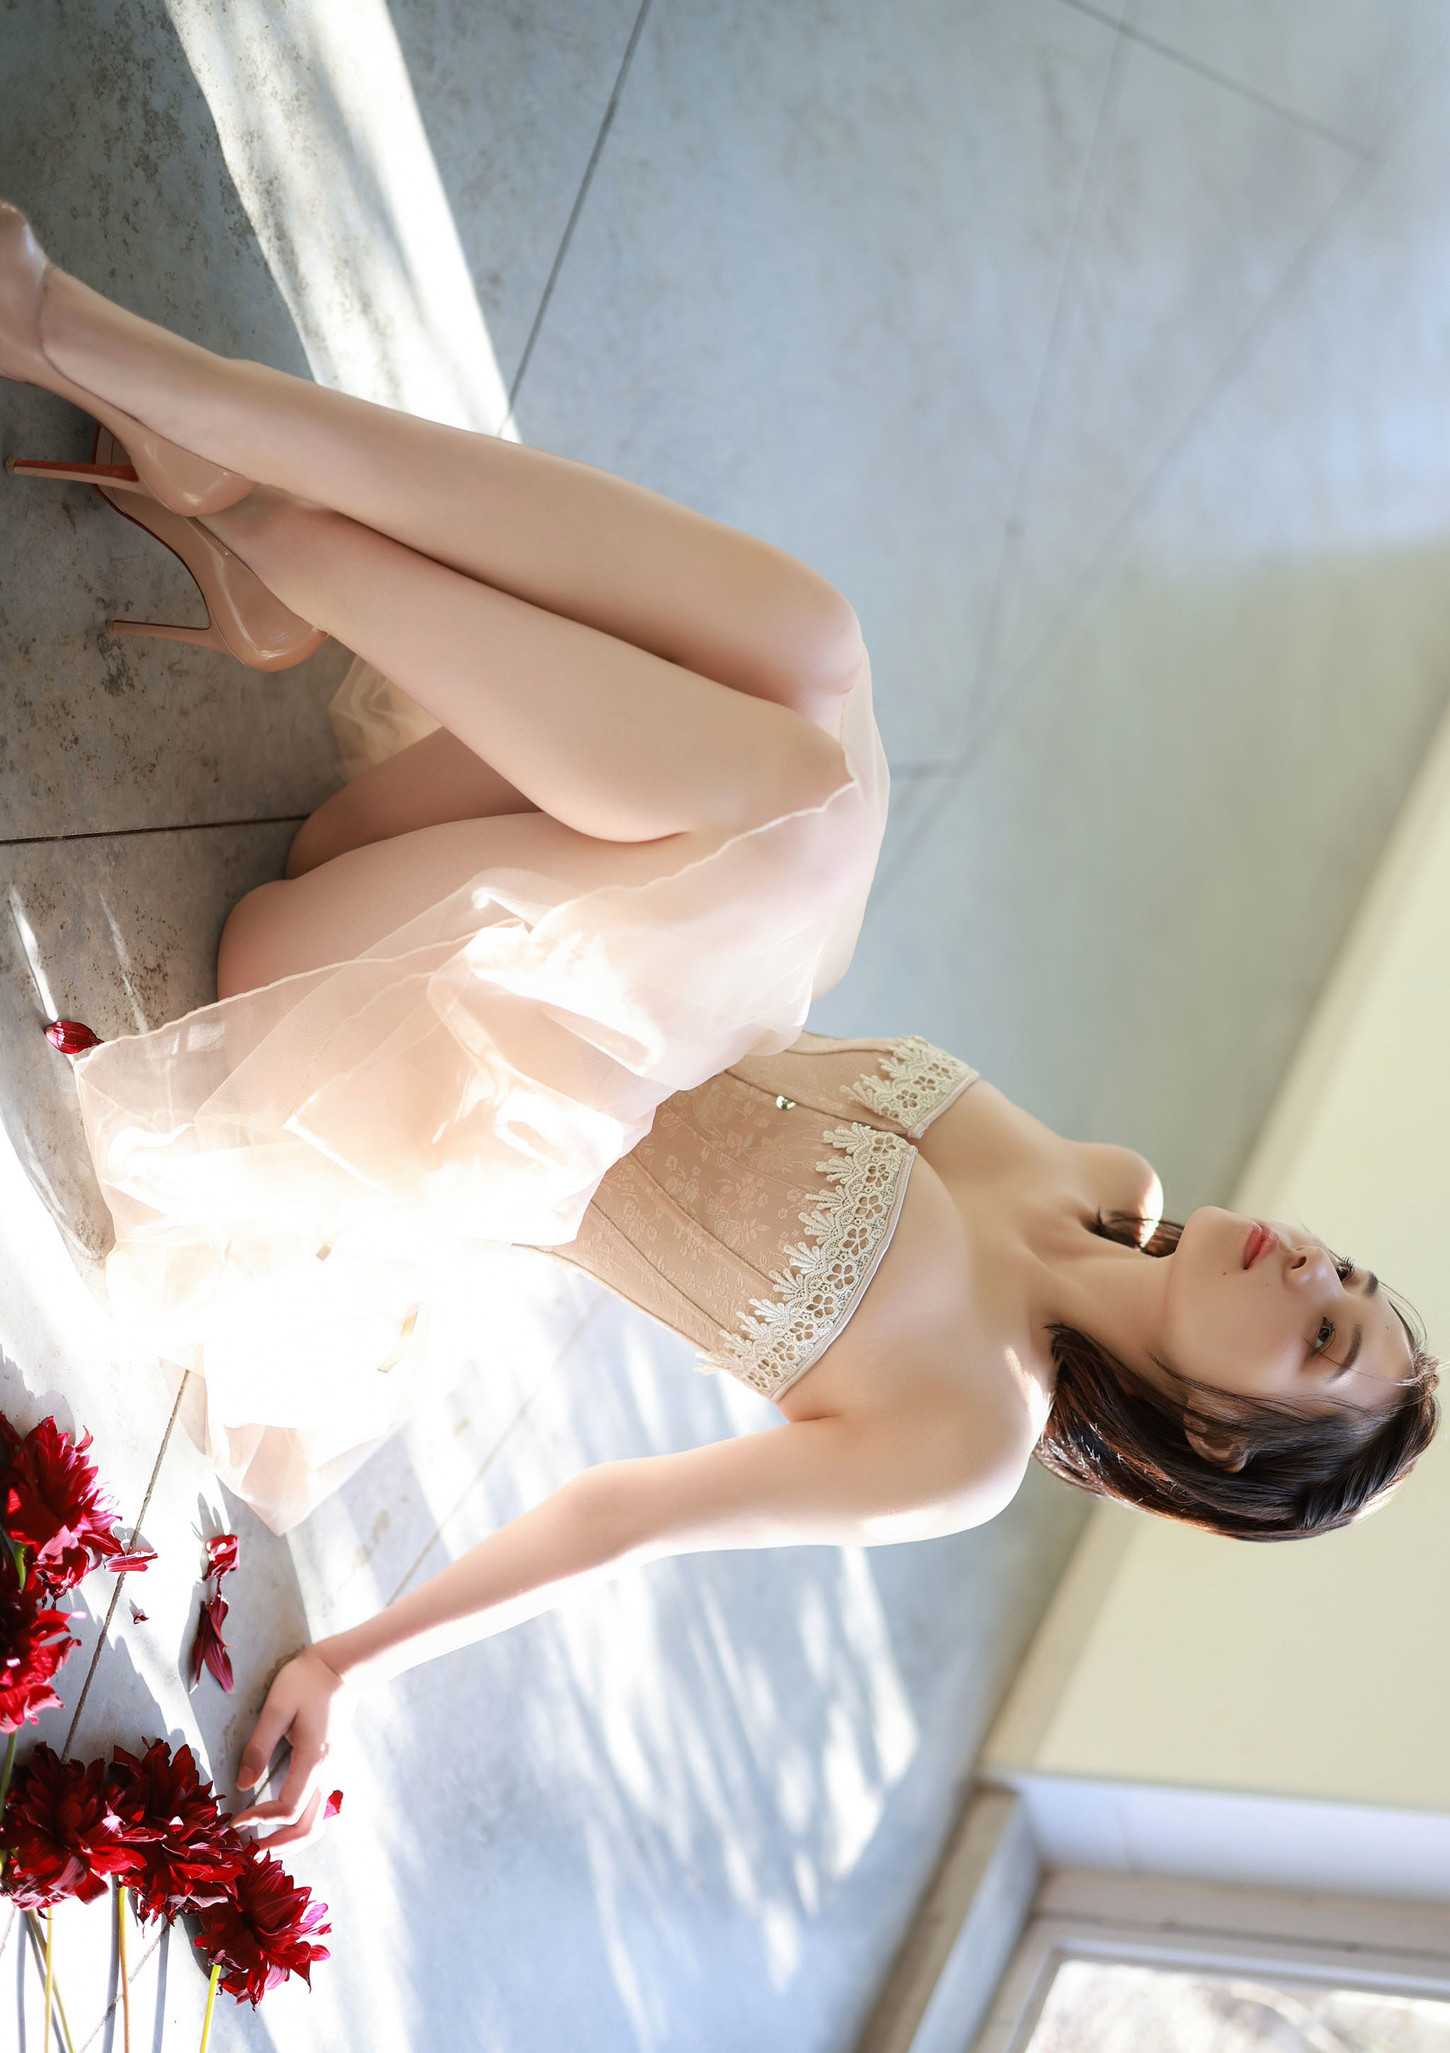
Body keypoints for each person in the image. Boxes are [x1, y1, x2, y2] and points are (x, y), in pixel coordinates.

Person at [1, 203, 1438, 1854]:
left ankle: (185, 447)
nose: (1311, 1270)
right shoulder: (1106, 1180)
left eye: (1318, 1339)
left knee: (804, 797)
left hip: (374, 1047)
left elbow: (623, 1520)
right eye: (1350, 1279)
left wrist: (347, 1658)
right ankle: (199, 450)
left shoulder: (962, 1440)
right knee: (814, 667)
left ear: (1220, 1438)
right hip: (502, 877)